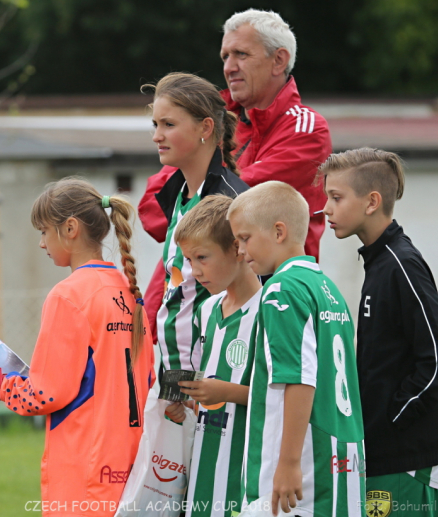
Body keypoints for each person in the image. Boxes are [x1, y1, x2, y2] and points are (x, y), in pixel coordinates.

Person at [140, 9, 332, 344]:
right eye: (225, 55)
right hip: (180, 310)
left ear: (279, 60)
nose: (228, 66)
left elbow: (227, 204)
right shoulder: (213, 118)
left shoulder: (306, 128)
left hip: (265, 314)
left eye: (241, 54)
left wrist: (203, 173)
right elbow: (154, 213)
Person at [0, 178, 155, 517]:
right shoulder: (128, 290)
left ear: (70, 228)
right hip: (132, 468)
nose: (42, 243)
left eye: (44, 231)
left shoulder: (68, 295)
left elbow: (46, 394)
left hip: (83, 475)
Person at [321, 148, 438, 517]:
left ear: (372, 202)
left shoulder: (401, 264)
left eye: (336, 197)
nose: (325, 209)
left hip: (410, 460)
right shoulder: (378, 262)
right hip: (385, 455)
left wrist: (392, 420)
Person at [228, 182, 365, 517]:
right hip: (341, 466)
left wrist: (288, 464)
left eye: (245, 238)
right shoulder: (325, 286)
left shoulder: (281, 290)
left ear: (278, 232)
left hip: (297, 476)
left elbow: (300, 379)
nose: (241, 251)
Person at [143, 72, 249, 374]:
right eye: (155, 124)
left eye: (169, 125)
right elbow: (176, 289)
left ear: (205, 127)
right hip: (175, 375)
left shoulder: (232, 203)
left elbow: (249, 297)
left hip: (211, 378)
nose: (156, 136)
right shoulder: (177, 193)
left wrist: (204, 384)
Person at [164, 195, 262, 517]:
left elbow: (288, 396)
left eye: (202, 257)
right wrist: (188, 404)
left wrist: (224, 393)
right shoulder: (207, 309)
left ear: (238, 249)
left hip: (246, 477)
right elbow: (213, 392)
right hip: (204, 472)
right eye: (189, 260)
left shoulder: (269, 310)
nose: (194, 271)